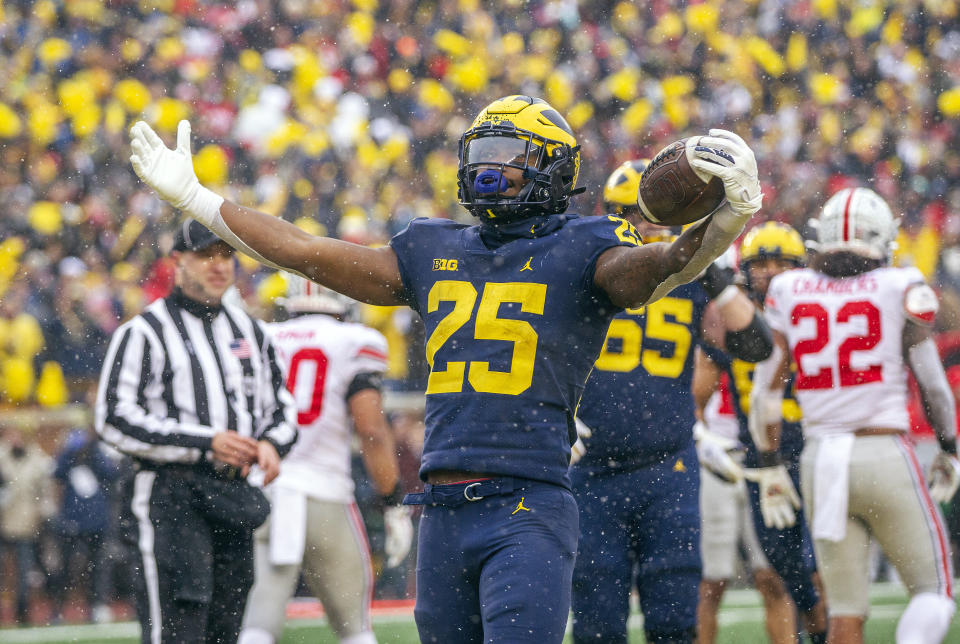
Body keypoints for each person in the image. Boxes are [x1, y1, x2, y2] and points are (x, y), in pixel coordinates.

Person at [127, 95, 762, 642]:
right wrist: (199, 199)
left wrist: (725, 221)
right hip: (444, 510)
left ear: (549, 165)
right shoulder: (431, 248)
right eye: (481, 152)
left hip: (528, 503)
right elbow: (304, 251)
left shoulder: (585, 245)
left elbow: (664, 266)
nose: (487, 168)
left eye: (507, 153)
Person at [568, 160, 773, 644]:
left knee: (675, 617)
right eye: (637, 218)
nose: (647, 231)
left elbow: (755, 344)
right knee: (597, 621)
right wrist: (555, 412)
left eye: (660, 220)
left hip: (668, 467)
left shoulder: (688, 274)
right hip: (593, 468)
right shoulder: (582, 270)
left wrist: (715, 276)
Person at [748, 187, 959, 644]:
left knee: (844, 612)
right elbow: (935, 387)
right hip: (883, 450)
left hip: (820, 458)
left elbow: (764, 393)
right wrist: (950, 448)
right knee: (934, 591)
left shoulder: (788, 288)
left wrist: (768, 465)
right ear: (882, 236)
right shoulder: (900, 284)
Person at [94, 219, 298, 644]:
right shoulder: (143, 332)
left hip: (231, 495)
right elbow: (112, 417)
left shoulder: (251, 332)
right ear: (178, 261)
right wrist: (205, 442)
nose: (219, 266)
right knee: (177, 629)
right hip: (169, 495)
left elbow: (281, 409)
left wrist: (271, 445)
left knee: (225, 629)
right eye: (206, 254)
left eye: (226, 255)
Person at [238, 275, 413, 644]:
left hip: (262, 491)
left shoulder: (261, 336)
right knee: (354, 628)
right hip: (324, 493)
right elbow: (371, 430)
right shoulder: (353, 341)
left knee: (258, 620)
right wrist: (393, 500)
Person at [699, 222, 828, 642]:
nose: (771, 272)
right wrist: (702, 438)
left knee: (817, 563)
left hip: (811, 451)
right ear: (744, 270)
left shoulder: (814, 315)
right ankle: (815, 622)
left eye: (782, 263)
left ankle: (821, 628)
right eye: (762, 263)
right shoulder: (728, 319)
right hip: (758, 460)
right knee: (780, 565)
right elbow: (697, 393)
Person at [691, 373, 796, 644]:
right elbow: (690, 400)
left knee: (772, 576)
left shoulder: (762, 337)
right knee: (711, 582)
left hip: (760, 460)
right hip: (711, 461)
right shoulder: (707, 340)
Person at [51, 427, 122, 624]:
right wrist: (68, 451)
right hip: (71, 524)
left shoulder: (96, 458)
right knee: (66, 569)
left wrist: (93, 452)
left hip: (96, 524)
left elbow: (112, 473)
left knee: (97, 569)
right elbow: (57, 472)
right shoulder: (68, 462)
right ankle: (58, 609)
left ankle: (96, 607)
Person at [0, 427, 56, 625]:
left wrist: (44, 514)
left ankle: (22, 610)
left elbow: (44, 491)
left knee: (24, 571)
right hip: (3, 521)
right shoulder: (2, 456)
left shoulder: (37, 459)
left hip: (26, 522)